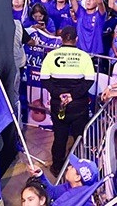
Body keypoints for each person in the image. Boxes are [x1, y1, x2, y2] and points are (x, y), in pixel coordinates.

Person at [38, 25, 97, 176]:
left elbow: (45, 80)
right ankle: (79, 168)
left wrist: (60, 94)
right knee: (79, 137)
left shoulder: (51, 56)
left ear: (61, 39)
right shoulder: (84, 57)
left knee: (60, 136)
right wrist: (73, 95)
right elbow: (89, 80)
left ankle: (57, 168)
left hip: (58, 104)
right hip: (79, 105)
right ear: (76, 39)